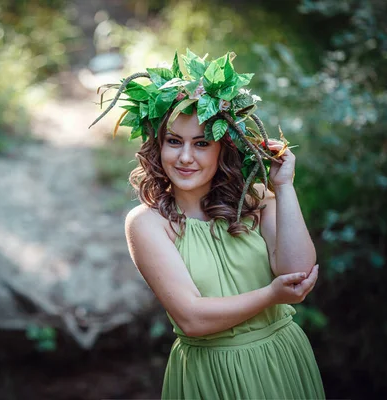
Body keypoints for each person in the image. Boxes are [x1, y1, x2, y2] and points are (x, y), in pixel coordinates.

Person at [90, 50, 325, 399]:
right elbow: (192, 319)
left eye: (201, 143)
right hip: (212, 376)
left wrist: (284, 187)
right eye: (174, 141)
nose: (186, 157)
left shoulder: (257, 199)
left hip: (282, 360)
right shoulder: (148, 224)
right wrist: (270, 295)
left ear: (222, 150)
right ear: (157, 146)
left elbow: (298, 272)